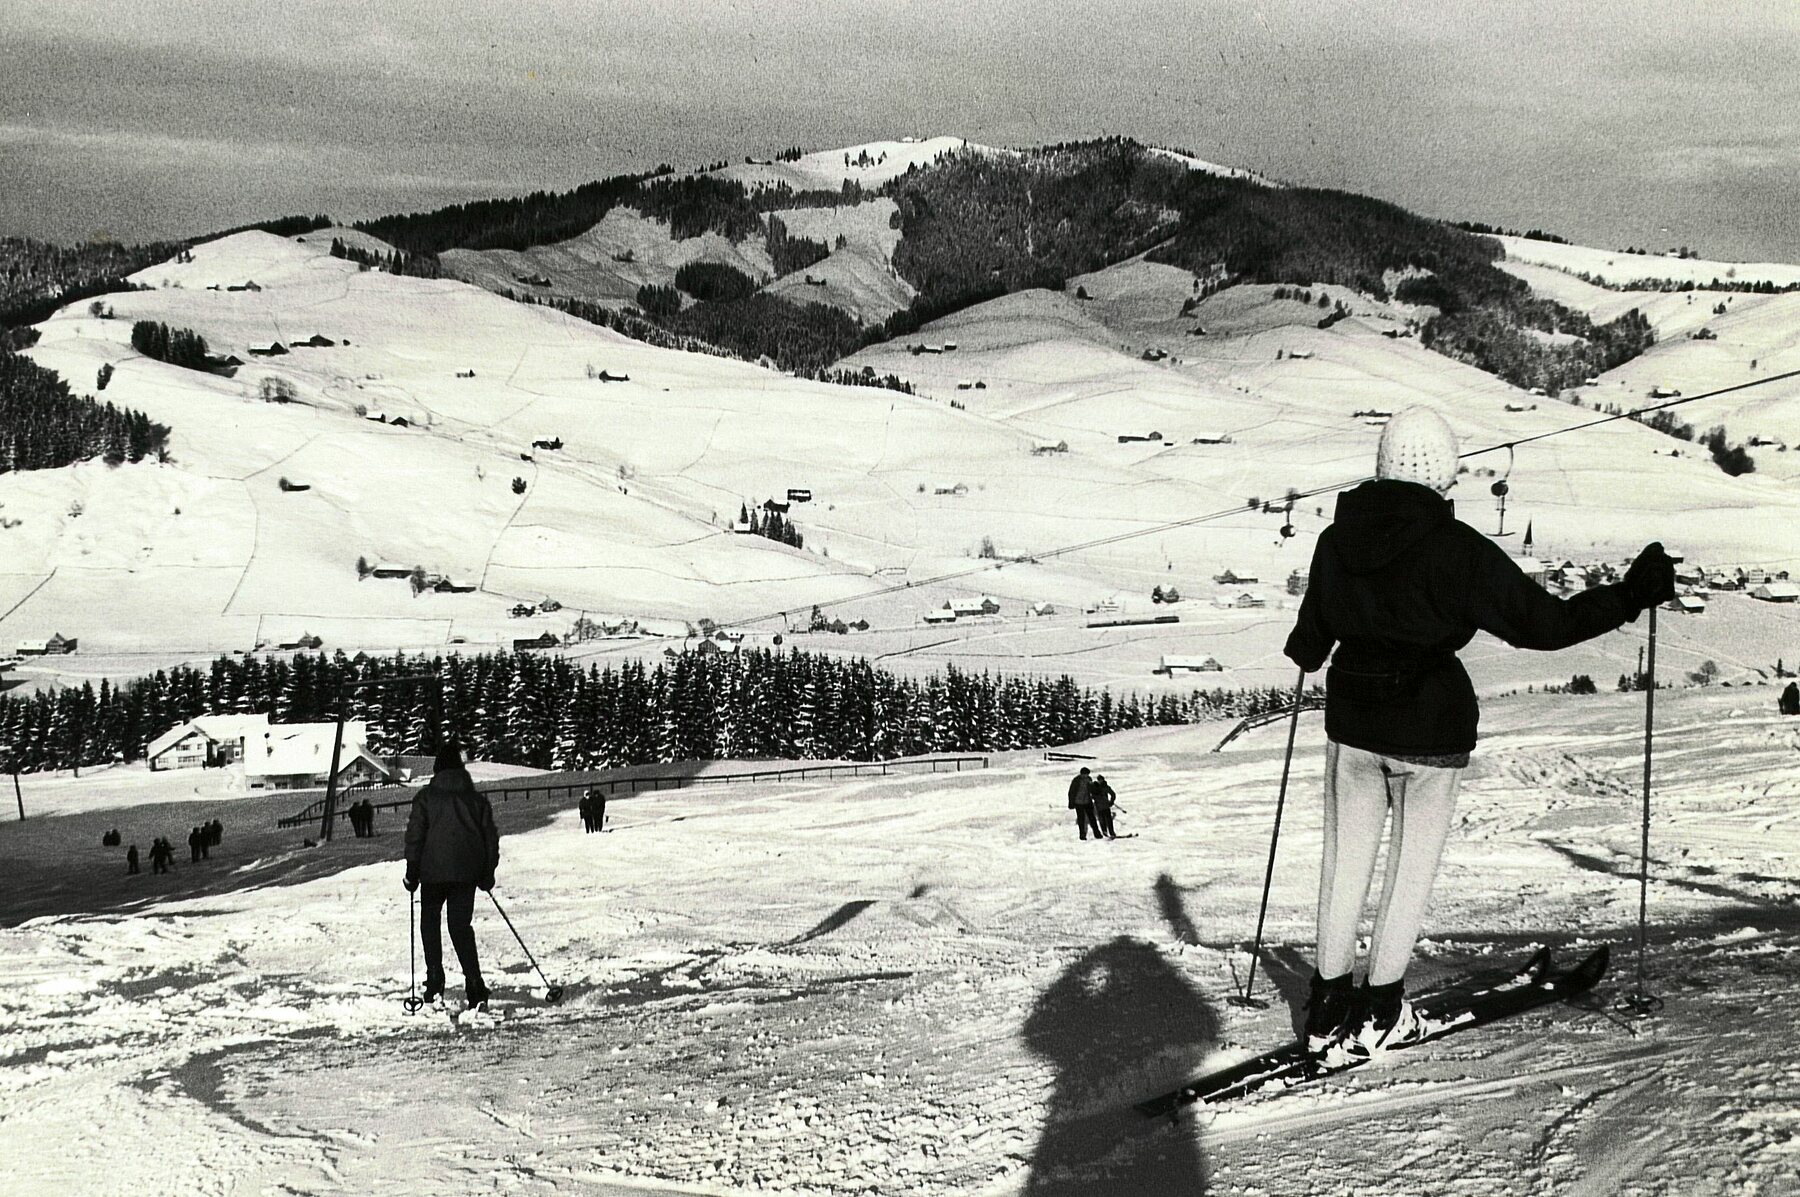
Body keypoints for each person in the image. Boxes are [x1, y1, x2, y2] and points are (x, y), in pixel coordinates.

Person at [1285, 406, 1674, 1061]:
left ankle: (1328, 1009)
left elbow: (1310, 640)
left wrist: (1317, 640)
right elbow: (1542, 624)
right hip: (1429, 732)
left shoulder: (1334, 538)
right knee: (1408, 873)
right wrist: (1629, 596)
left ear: (1382, 463)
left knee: (1343, 865)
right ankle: (1381, 1010)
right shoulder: (1455, 547)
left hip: (1351, 724)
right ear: (1444, 473)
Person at [404, 743, 500, 1010]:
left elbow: (415, 835)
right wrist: (487, 871)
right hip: (466, 875)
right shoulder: (476, 800)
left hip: (432, 874)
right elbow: (490, 839)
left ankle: (435, 981)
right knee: (460, 927)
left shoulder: (425, 798)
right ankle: (475, 985)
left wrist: (412, 870)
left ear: (437, 771)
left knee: (430, 924)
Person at [1066, 767, 1102, 841]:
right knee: (1081, 820)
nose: (1086, 776)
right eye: (1084, 774)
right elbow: (1071, 792)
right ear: (1081, 774)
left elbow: (1092, 790)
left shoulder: (1089, 780)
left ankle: (1097, 834)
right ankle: (1082, 835)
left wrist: (1096, 789)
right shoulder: (1076, 780)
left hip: (1087, 802)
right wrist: (1071, 803)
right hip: (1078, 803)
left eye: (1087, 774)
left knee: (1092, 819)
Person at [1092, 774, 1119, 839]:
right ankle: (1104, 832)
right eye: (1099, 780)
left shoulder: (1106, 787)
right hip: (1098, 806)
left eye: (1101, 780)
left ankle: (1111, 832)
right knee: (1102, 820)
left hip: (1106, 806)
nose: (1100, 781)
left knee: (1109, 820)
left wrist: (1111, 801)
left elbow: (1113, 794)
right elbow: (1091, 796)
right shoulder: (1095, 788)